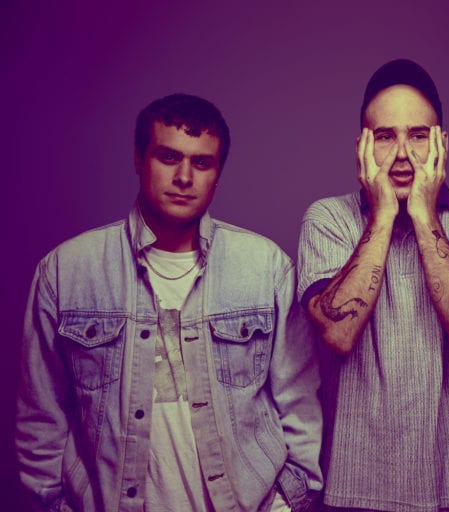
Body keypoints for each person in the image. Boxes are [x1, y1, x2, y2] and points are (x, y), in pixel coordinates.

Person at [16, 93, 322, 511]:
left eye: (202, 163)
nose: (184, 177)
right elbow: (40, 418)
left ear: (218, 173)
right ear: (139, 159)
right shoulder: (65, 271)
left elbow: (299, 401)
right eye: (168, 157)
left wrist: (288, 502)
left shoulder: (265, 267)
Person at [297, 59, 449, 511]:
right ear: (362, 146)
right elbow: (338, 332)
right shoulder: (326, 218)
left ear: (442, 143)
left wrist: (424, 214)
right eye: (385, 136)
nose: (402, 154)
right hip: (354, 482)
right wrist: (384, 215)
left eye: (418, 135)